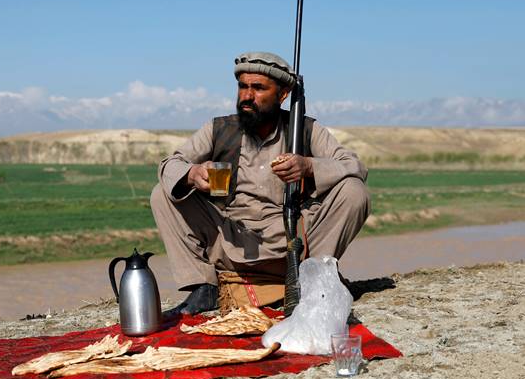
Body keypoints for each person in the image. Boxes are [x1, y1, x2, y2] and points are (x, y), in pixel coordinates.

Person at [150, 51, 370, 315]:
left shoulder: (306, 130)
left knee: (354, 191)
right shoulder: (218, 129)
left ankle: (316, 278)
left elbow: (355, 166)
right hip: (230, 243)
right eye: (243, 86)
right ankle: (203, 287)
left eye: (258, 88)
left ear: (283, 94)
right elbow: (170, 164)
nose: (247, 96)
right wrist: (192, 173)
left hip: (292, 244)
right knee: (163, 192)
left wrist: (309, 166)